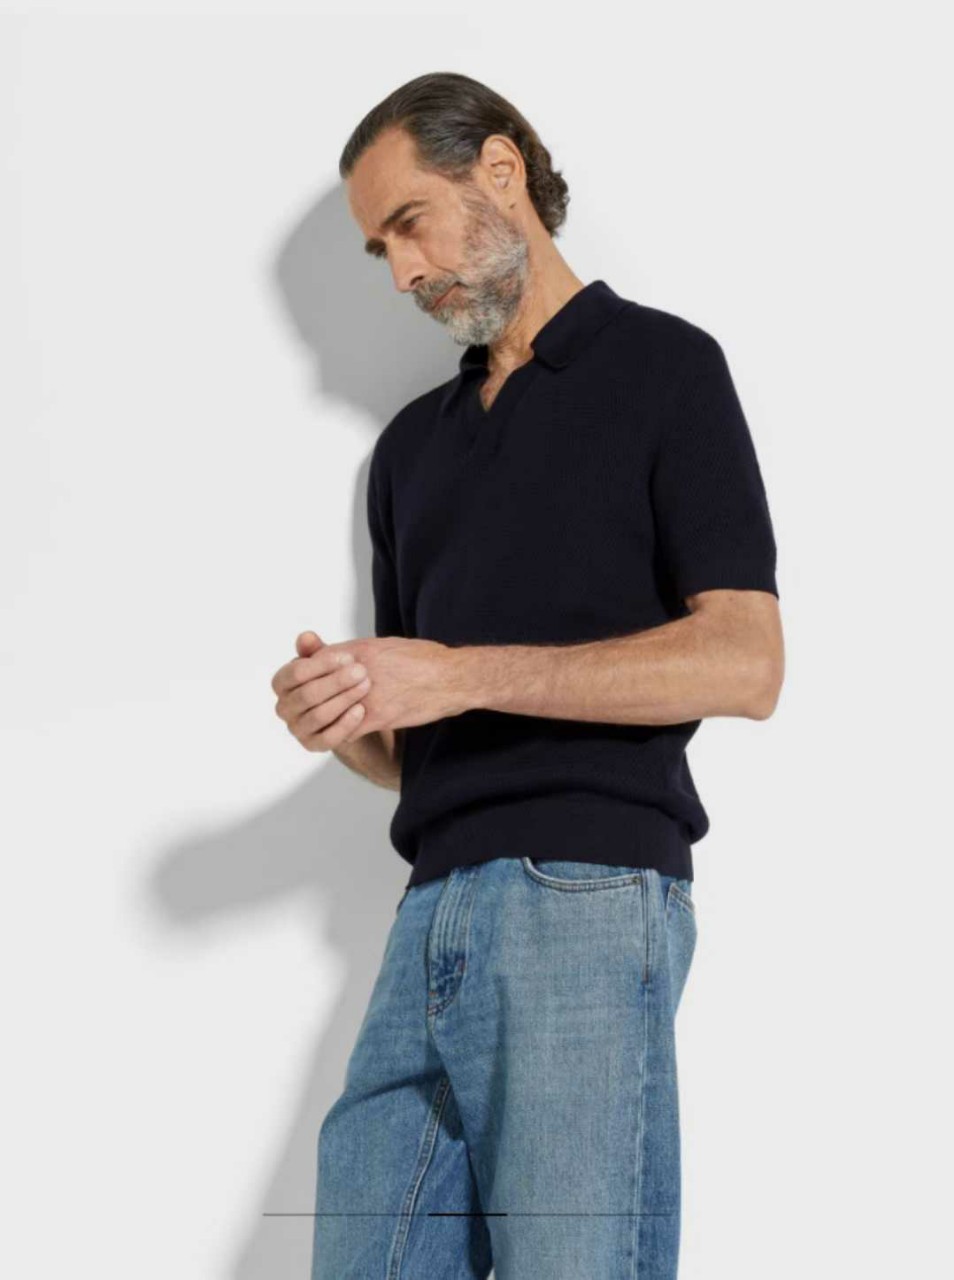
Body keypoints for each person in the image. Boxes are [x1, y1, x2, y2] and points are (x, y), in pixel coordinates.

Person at [272, 71, 784, 1280]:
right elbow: (420, 739)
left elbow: (747, 660)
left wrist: (455, 672)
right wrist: (350, 716)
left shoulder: (664, 368)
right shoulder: (409, 452)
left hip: (585, 892)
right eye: (379, 249)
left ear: (500, 172)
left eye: (409, 223)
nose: (402, 273)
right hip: (427, 911)